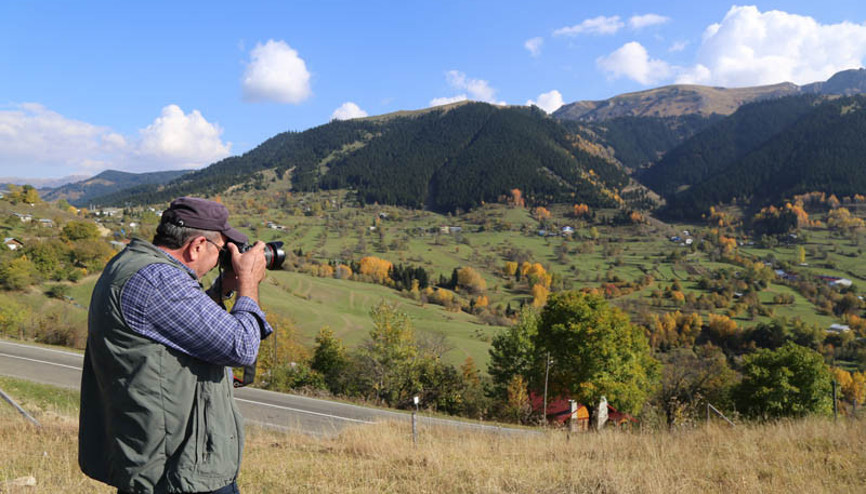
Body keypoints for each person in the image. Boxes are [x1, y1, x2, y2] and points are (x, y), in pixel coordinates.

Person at [79, 197, 273, 494]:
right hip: (176, 472)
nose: (220, 259)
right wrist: (248, 282)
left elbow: (179, 326)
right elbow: (242, 347)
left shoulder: (133, 265)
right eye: (221, 250)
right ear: (197, 246)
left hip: (155, 461)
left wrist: (222, 289)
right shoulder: (159, 280)